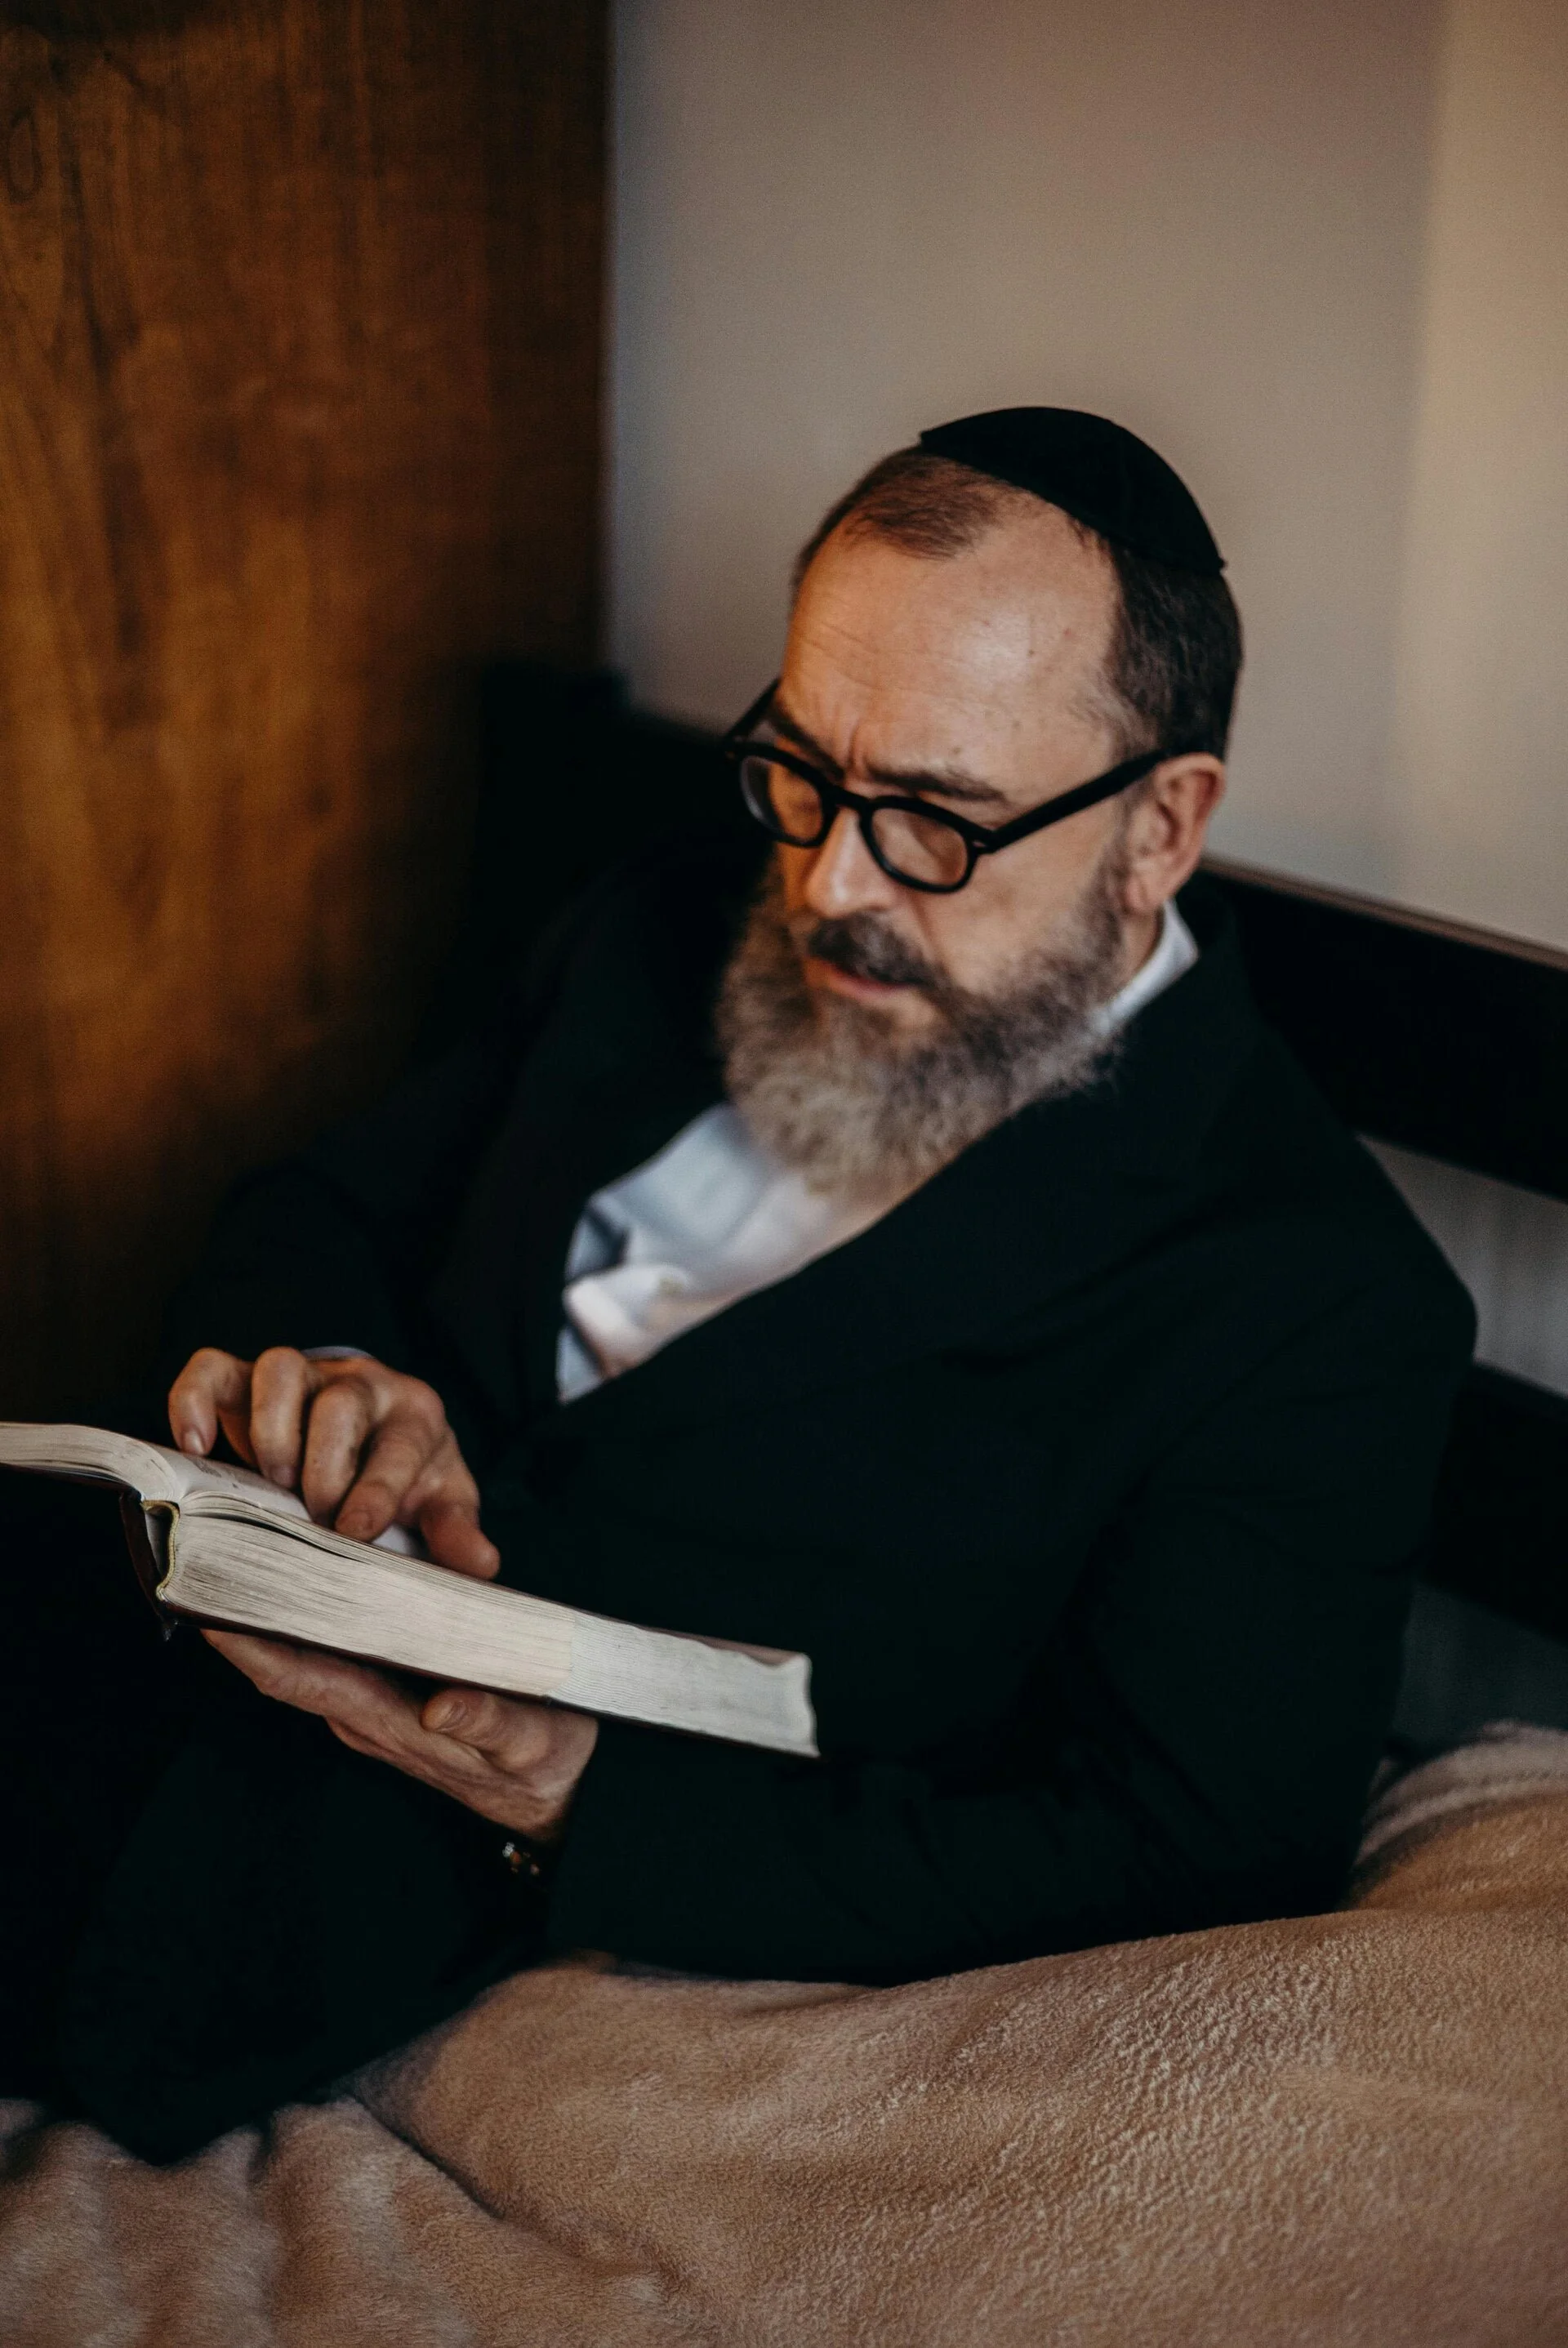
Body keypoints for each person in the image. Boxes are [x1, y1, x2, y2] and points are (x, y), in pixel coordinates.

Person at [0, 408, 1474, 2159]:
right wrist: (329, 1374)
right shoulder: (667, 914)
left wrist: (579, 1802)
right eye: (804, 772)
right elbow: (322, 1202)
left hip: (320, 1864)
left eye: (933, 818)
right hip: (111, 1604)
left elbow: (1192, 1845)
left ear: (1161, 828)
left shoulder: (1311, 1304)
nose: (830, 882)